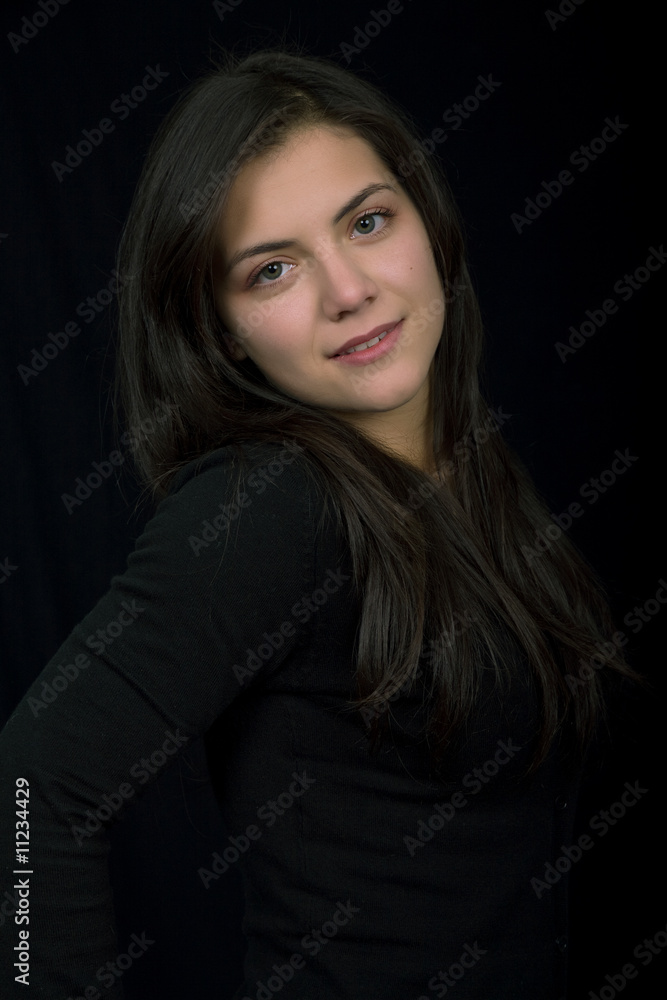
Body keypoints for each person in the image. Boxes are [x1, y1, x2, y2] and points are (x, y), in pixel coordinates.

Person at [0, 47, 639, 999]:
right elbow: (34, 784)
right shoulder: (270, 504)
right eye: (273, 270)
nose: (347, 291)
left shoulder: (470, 473)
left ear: (428, 220)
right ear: (221, 330)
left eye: (367, 222)